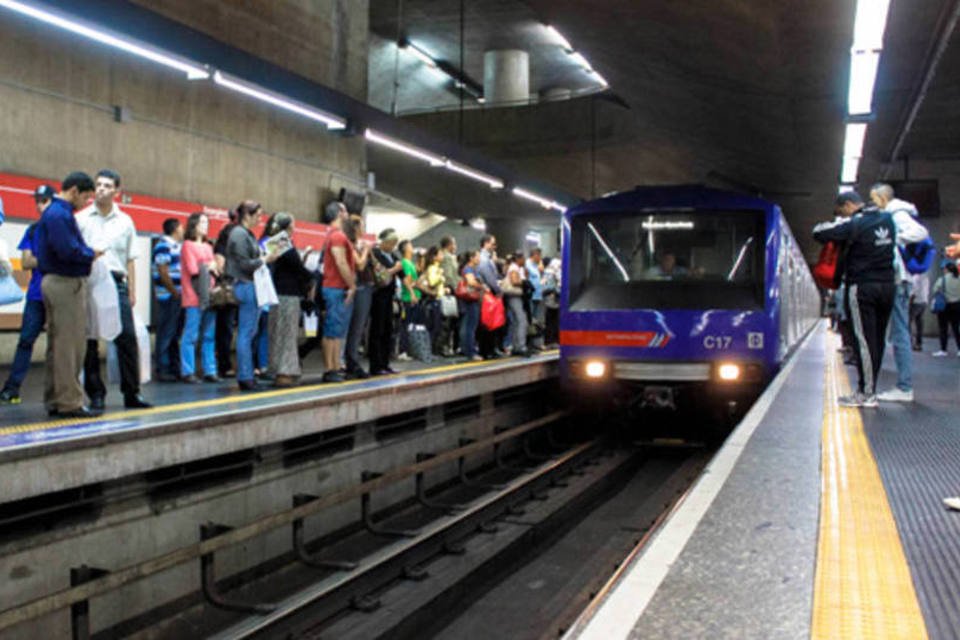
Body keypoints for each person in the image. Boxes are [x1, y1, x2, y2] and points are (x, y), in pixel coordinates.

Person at [813, 192, 897, 407]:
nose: (842, 215)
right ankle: (869, 389)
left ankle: (866, 393)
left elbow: (819, 233)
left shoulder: (855, 224)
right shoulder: (888, 219)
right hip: (888, 286)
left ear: (849, 205)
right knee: (877, 340)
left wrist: (839, 222)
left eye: (841, 211)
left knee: (864, 341)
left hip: (862, 287)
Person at [78, 169, 151, 410]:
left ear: (116, 192)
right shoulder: (81, 218)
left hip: (117, 281)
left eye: (107, 186)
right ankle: (96, 394)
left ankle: (132, 392)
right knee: (90, 339)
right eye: (98, 185)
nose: (101, 189)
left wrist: (132, 289)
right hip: (90, 281)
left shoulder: (125, 221)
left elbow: (130, 258)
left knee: (127, 337)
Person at [33, 172, 98, 417]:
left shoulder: (53, 213)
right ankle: (69, 402)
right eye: (85, 197)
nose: (85, 203)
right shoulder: (59, 215)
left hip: (55, 282)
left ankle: (55, 398)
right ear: (73, 191)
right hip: (64, 283)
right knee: (69, 346)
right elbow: (67, 250)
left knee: (58, 344)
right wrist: (90, 254)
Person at [869, 183, 929, 403]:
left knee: (899, 333)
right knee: (896, 332)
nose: (872, 202)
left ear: (882, 198)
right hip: (897, 280)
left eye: (873, 198)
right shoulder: (893, 212)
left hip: (897, 280)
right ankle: (902, 385)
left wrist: (893, 240)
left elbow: (921, 233)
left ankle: (904, 387)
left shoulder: (896, 212)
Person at [0, 185, 56, 404]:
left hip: (58, 296)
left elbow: (36, 259)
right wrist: (53, 259)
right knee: (25, 341)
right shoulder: (32, 230)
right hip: (35, 295)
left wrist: (40, 259)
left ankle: (57, 391)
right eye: (38, 201)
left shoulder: (61, 228)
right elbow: (25, 262)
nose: (40, 205)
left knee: (59, 345)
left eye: (44, 200)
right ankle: (12, 388)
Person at [225, 200, 279, 390]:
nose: (260, 219)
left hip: (250, 285)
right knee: (246, 334)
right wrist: (265, 258)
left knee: (249, 332)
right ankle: (245, 376)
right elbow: (245, 264)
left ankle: (247, 374)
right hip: (246, 286)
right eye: (257, 215)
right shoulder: (239, 234)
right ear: (247, 215)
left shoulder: (245, 234)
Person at [266, 212, 313, 387]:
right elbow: (297, 267)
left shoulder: (275, 241)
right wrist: (312, 277)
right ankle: (284, 372)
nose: (295, 226)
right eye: (293, 223)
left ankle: (283, 370)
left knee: (281, 333)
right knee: (286, 334)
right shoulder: (281, 240)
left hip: (280, 292)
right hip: (286, 294)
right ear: (288, 225)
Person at [179, 212, 220, 383]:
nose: (205, 225)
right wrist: (210, 265)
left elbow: (216, 270)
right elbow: (193, 270)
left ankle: (210, 370)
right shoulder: (187, 245)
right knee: (191, 335)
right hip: (193, 296)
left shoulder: (208, 246)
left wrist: (210, 266)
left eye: (206, 222)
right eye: (202, 222)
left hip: (210, 296)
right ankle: (188, 371)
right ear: (194, 224)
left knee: (209, 335)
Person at [320, 201, 355, 382]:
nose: (348, 214)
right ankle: (329, 368)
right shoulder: (338, 237)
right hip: (335, 287)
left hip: (334, 287)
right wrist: (352, 285)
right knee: (332, 330)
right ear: (340, 213)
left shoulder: (335, 235)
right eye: (345, 210)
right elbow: (341, 262)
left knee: (335, 330)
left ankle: (333, 366)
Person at [368, 229, 404, 375]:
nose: (392, 246)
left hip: (390, 295)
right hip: (378, 295)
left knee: (388, 329)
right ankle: (375, 365)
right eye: (390, 243)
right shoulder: (375, 254)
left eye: (394, 244)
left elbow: (402, 273)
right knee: (378, 329)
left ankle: (385, 362)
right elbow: (380, 273)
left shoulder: (393, 256)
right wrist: (394, 269)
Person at [152, 218, 184, 382]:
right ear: (176, 228)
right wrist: (174, 292)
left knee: (173, 333)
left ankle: (173, 367)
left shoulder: (176, 246)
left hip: (176, 295)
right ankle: (162, 368)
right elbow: (163, 271)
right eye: (181, 227)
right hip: (168, 295)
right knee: (166, 332)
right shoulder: (163, 245)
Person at [343, 214, 373, 379]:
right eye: (361, 226)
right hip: (357, 288)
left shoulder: (358, 244)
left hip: (364, 287)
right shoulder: (350, 244)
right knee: (354, 327)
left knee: (358, 328)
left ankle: (351, 361)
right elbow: (360, 266)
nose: (363, 229)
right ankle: (350, 362)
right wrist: (366, 250)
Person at [213, 208, 240, 377]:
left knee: (225, 328)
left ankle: (224, 362)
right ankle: (224, 364)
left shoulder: (223, 237)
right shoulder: (230, 236)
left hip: (231, 287)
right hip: (229, 289)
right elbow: (220, 265)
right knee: (226, 327)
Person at [476, 234, 502, 359]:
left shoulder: (487, 258)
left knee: (488, 322)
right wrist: (498, 290)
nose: (494, 246)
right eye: (493, 243)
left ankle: (489, 349)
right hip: (487, 294)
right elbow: (490, 278)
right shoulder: (484, 260)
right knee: (488, 322)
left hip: (487, 293)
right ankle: (487, 350)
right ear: (486, 243)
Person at [397, 239, 420, 362]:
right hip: (408, 298)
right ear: (405, 249)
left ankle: (408, 349)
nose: (412, 247)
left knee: (410, 325)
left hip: (414, 296)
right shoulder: (405, 263)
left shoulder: (411, 263)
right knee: (405, 325)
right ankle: (402, 350)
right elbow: (408, 281)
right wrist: (412, 293)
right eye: (410, 246)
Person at [458, 250, 484, 361]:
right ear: (471, 258)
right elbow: (471, 282)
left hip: (471, 300)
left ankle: (467, 349)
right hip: (470, 300)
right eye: (477, 256)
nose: (479, 259)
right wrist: (481, 285)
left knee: (468, 325)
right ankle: (470, 352)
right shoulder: (468, 269)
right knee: (470, 326)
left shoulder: (472, 269)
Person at [931, 260, 960, 357]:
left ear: (947, 269)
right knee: (956, 328)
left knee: (943, 328)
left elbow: (935, 290)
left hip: (945, 306)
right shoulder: (958, 279)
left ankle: (943, 349)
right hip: (957, 305)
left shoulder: (942, 279)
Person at [503, 252, 530, 357]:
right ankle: (520, 346)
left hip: (516, 297)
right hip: (515, 297)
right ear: (519, 258)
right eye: (523, 258)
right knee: (521, 320)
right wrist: (524, 283)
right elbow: (514, 281)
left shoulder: (518, 268)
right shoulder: (514, 268)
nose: (524, 261)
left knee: (516, 321)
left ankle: (515, 345)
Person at [439, 236, 460, 355]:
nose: (455, 247)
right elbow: (449, 275)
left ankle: (446, 346)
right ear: (449, 245)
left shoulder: (446, 256)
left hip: (449, 290)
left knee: (448, 320)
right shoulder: (447, 257)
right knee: (448, 319)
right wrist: (456, 288)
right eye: (454, 244)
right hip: (449, 291)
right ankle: (444, 347)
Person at [526, 248, 545, 351]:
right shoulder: (527, 265)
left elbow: (541, 272)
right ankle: (529, 343)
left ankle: (535, 343)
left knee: (536, 322)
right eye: (539, 256)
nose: (540, 258)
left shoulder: (536, 266)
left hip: (537, 296)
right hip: (531, 297)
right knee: (530, 320)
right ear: (535, 255)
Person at [908, 271, 929, 351]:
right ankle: (919, 343)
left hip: (916, 302)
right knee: (919, 323)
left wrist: (909, 299)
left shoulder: (916, 277)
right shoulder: (926, 277)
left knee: (908, 322)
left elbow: (913, 291)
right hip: (924, 301)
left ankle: (910, 342)